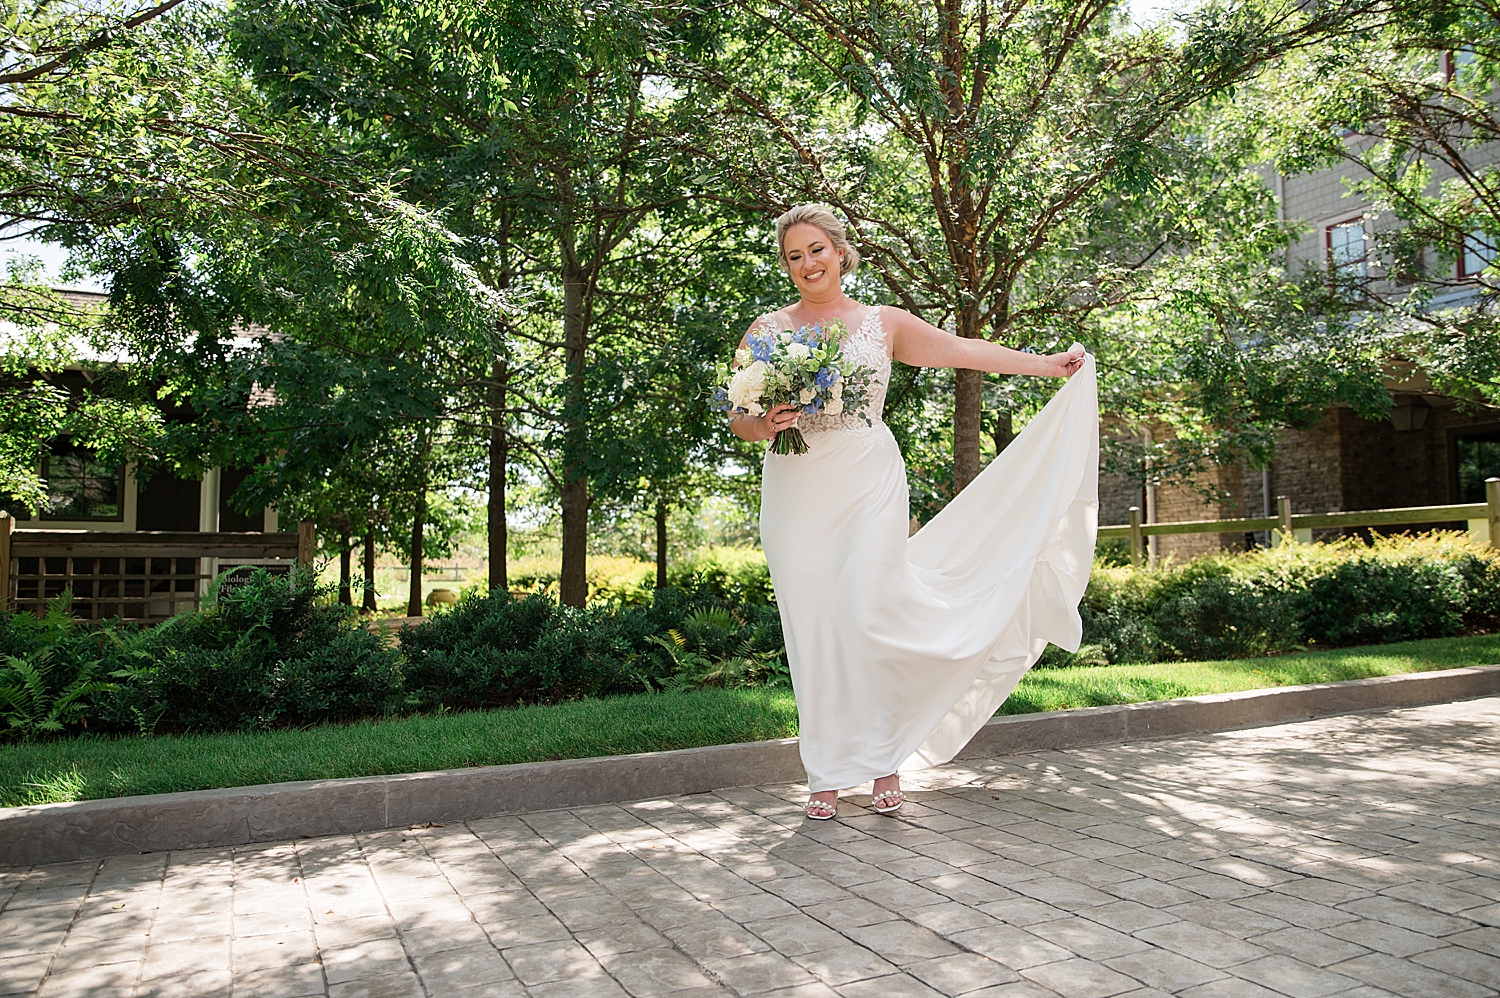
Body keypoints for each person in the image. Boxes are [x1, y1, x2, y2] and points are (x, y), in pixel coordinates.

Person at [730, 203, 1098, 820]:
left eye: (816, 249)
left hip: (868, 480)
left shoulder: (883, 322)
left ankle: (882, 760)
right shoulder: (766, 331)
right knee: (816, 628)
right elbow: (738, 419)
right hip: (796, 491)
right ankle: (825, 771)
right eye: (795, 255)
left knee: (868, 612)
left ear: (841, 253)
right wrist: (765, 422)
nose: (807, 264)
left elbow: (963, 352)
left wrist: (1043, 365)